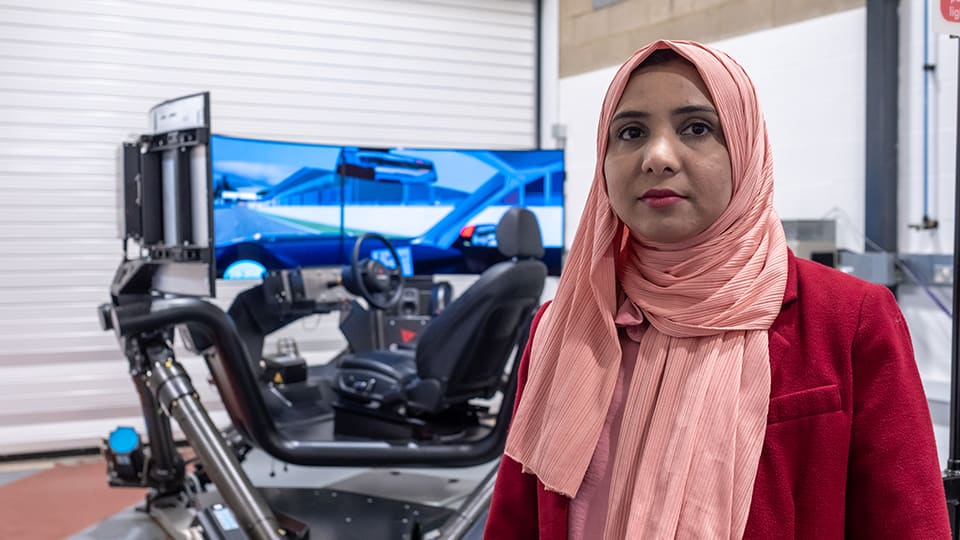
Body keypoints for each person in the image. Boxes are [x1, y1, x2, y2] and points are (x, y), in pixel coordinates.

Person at [483, 39, 950, 539]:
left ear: (746, 148)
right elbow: (516, 521)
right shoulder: (563, 325)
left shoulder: (849, 318)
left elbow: (907, 525)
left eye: (697, 128)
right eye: (631, 132)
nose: (657, 157)